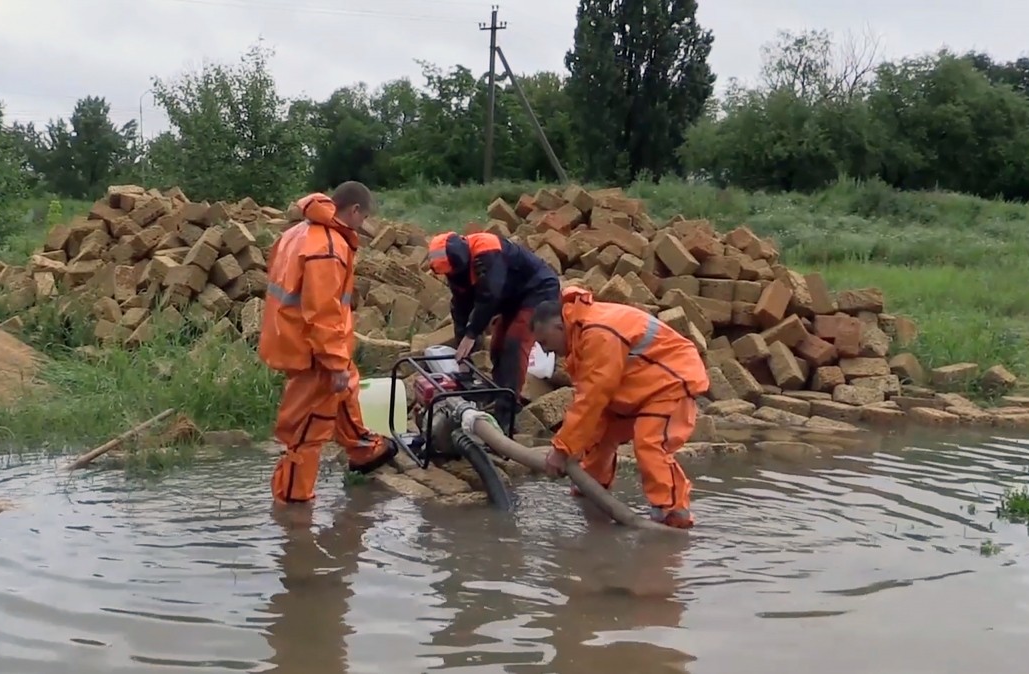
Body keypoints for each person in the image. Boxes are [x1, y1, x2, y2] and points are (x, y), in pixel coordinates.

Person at [258, 182, 398, 504]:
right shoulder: (328, 246)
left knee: (346, 389)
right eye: (363, 219)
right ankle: (293, 503)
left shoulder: (296, 234)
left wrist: (339, 362)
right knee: (307, 428)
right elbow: (322, 312)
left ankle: (364, 450)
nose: (363, 227)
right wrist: (334, 361)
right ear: (355, 211)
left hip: (297, 341)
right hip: (313, 351)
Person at [529, 286, 710, 529]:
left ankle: (673, 517)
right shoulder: (580, 334)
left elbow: (592, 396)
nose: (545, 350)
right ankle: (590, 492)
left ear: (559, 327)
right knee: (597, 435)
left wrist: (561, 450)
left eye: (544, 341)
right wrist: (567, 448)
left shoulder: (597, 332)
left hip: (671, 380)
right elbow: (590, 398)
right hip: (639, 384)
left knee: (650, 443)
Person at [425, 231, 560, 428]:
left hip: (537, 289)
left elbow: (490, 295)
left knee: (515, 342)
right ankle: (500, 394)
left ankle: (508, 412)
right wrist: (464, 353)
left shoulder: (487, 250)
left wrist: (472, 334)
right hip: (512, 296)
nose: (452, 275)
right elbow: (461, 308)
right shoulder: (455, 270)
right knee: (497, 345)